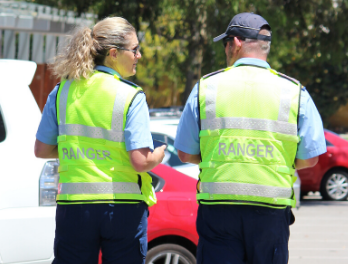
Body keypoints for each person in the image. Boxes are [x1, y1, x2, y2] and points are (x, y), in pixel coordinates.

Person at [175, 13, 326, 264]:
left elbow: (184, 153)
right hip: (270, 212)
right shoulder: (294, 91)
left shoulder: (206, 86)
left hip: (219, 210)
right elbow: (310, 158)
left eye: (225, 44)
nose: (226, 49)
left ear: (235, 43)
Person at [34, 17, 166, 264]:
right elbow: (140, 161)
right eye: (135, 50)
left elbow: (41, 149)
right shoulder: (131, 95)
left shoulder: (62, 90)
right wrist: (159, 154)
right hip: (121, 208)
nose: (139, 56)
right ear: (114, 54)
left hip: (74, 208)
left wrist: (79, 150)